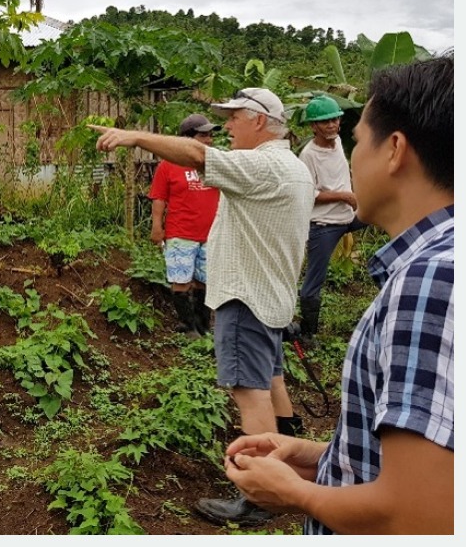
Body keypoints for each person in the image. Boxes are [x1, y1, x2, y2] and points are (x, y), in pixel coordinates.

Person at [219, 55, 453, 534]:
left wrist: (296, 493)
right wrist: (321, 455)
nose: (352, 155)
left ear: (394, 150)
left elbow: (419, 513)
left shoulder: (429, 281)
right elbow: (428, 466)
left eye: (357, 140)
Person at [90, 87, 311, 525]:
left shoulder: (263, 164)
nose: (226, 127)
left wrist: (135, 136)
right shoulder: (294, 166)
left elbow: (193, 153)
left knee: (249, 392)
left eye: (233, 118)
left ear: (259, 120)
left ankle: (261, 497)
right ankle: (291, 463)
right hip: (271, 295)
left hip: (244, 297)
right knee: (271, 379)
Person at [296, 94, 366, 343]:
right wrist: (343, 196)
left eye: (335, 120)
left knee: (385, 210)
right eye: (325, 122)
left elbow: (340, 172)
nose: (333, 125)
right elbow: (308, 193)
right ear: (313, 126)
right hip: (324, 225)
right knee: (314, 281)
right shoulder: (308, 155)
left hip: (348, 216)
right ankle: (308, 332)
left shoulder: (337, 144)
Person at [148, 113, 221, 337]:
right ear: (187, 139)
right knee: (181, 280)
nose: (209, 140)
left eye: (210, 135)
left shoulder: (217, 161)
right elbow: (159, 198)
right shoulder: (169, 165)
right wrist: (157, 227)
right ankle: (188, 326)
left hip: (210, 234)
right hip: (181, 233)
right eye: (203, 135)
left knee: (204, 281)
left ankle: (202, 324)